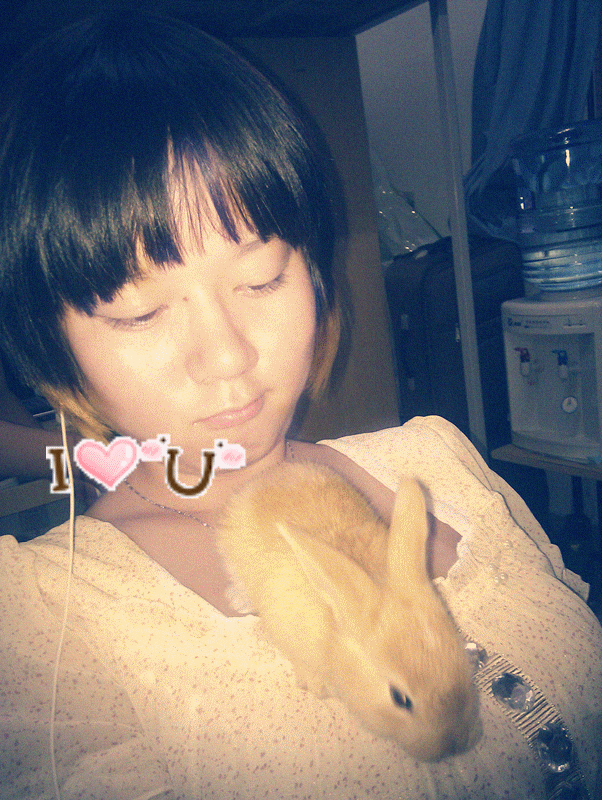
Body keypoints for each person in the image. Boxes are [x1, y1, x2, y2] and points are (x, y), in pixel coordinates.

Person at [0, 11, 600, 800]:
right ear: (51, 342)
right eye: (139, 313)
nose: (229, 356)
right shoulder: (48, 624)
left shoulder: (436, 457)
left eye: (262, 280)